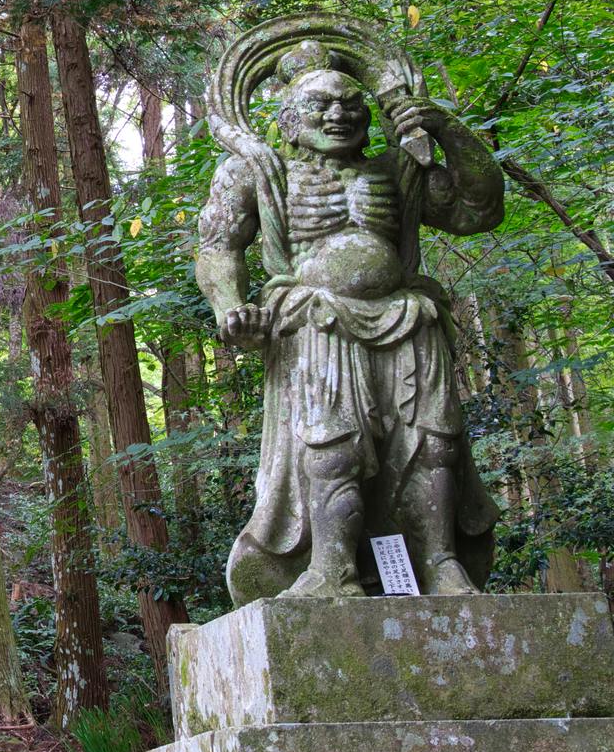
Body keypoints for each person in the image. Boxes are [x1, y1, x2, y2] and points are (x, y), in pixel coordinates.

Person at [198, 37, 502, 603]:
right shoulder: (258, 172)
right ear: (287, 121)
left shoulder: (398, 171)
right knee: (332, 446)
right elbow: (217, 246)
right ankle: (331, 567)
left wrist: (445, 127)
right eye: (320, 105)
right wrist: (229, 307)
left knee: (434, 444)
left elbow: (478, 209)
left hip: (407, 317)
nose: (338, 114)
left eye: (351, 104)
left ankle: (441, 564)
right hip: (316, 319)